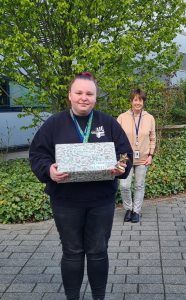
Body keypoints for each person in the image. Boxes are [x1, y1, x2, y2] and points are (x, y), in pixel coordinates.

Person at [29, 72, 133, 300]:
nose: (83, 97)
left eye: (89, 93)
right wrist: (49, 171)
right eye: (79, 92)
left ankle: (98, 297)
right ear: (70, 95)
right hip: (66, 201)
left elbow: (125, 152)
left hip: (100, 201)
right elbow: (37, 154)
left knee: (98, 252)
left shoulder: (108, 123)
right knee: (72, 252)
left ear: (96, 97)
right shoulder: (54, 124)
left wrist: (121, 166)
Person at [117, 89, 156, 223]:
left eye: (140, 100)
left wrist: (151, 155)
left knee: (139, 185)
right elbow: (117, 138)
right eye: (135, 99)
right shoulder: (122, 117)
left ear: (143, 102)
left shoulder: (150, 118)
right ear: (131, 101)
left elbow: (153, 138)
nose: (137, 102)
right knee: (124, 185)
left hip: (143, 157)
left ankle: (136, 211)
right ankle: (128, 208)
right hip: (125, 158)